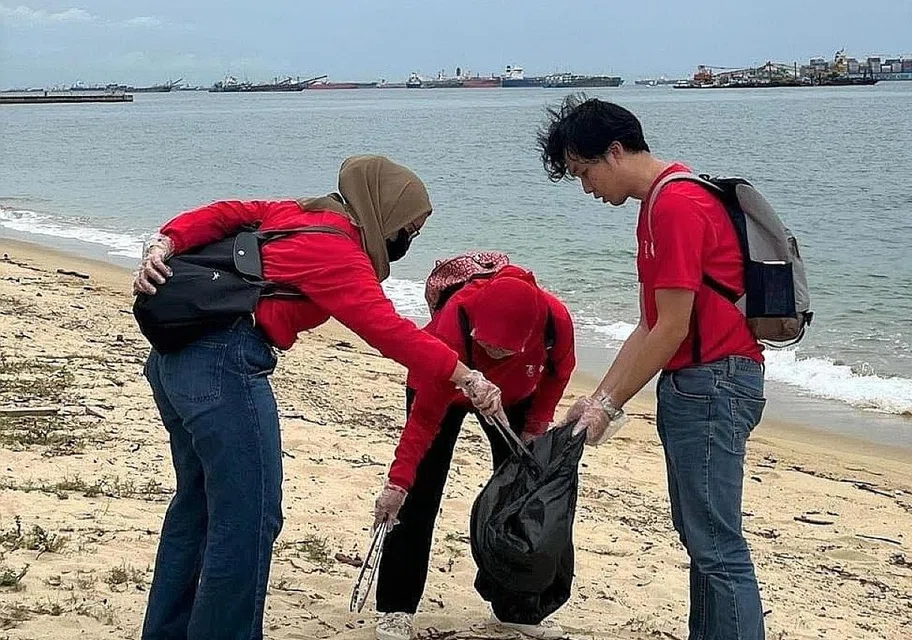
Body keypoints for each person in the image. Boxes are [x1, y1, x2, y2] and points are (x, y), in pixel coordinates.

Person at [132, 155, 506, 640]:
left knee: (197, 506)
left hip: (174, 362)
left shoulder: (299, 213)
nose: (408, 240)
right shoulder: (339, 253)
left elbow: (226, 211)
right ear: (383, 211)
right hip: (222, 366)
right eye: (408, 227)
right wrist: (467, 376)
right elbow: (390, 332)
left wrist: (168, 239)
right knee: (250, 518)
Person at [537, 96, 768, 640]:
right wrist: (598, 400)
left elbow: (672, 328)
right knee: (701, 540)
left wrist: (611, 406)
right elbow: (650, 325)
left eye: (584, 171)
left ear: (615, 152)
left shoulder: (677, 204)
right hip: (702, 380)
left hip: (715, 382)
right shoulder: (660, 201)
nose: (586, 187)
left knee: (717, 545)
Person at [371, 264, 576, 640]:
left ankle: (518, 607)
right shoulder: (456, 320)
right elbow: (423, 420)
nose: (493, 353)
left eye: (503, 349)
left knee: (523, 497)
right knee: (419, 492)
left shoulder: (555, 320)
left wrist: (535, 427)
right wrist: (397, 483)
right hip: (446, 381)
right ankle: (396, 607)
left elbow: (560, 372)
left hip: (518, 395)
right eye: (487, 344)